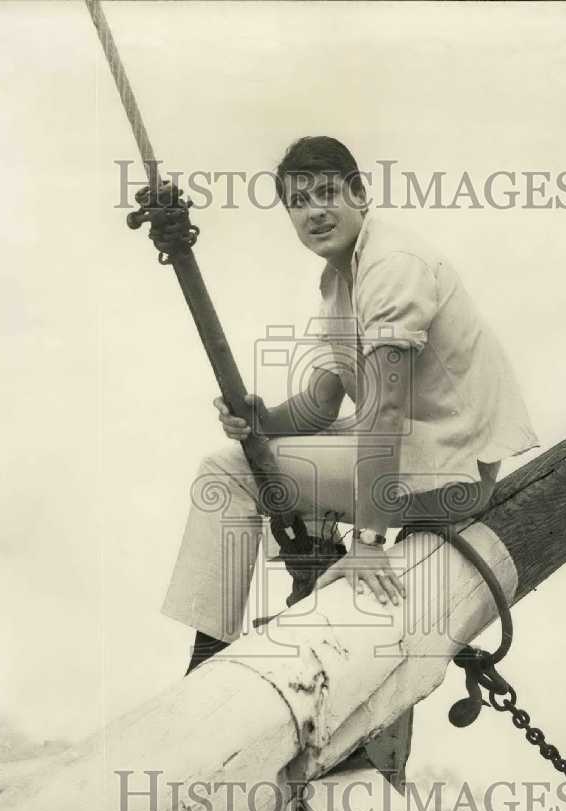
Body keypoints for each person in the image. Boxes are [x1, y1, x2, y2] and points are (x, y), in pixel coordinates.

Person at [162, 136, 539, 672]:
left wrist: (369, 541)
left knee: (227, 474)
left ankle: (206, 658)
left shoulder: (391, 267)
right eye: (298, 202)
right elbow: (318, 407)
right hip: (424, 452)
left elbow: (383, 413)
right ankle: (316, 595)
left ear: (360, 193)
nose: (313, 212)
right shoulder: (342, 279)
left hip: (451, 473)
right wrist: (259, 419)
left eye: (326, 193)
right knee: (265, 451)